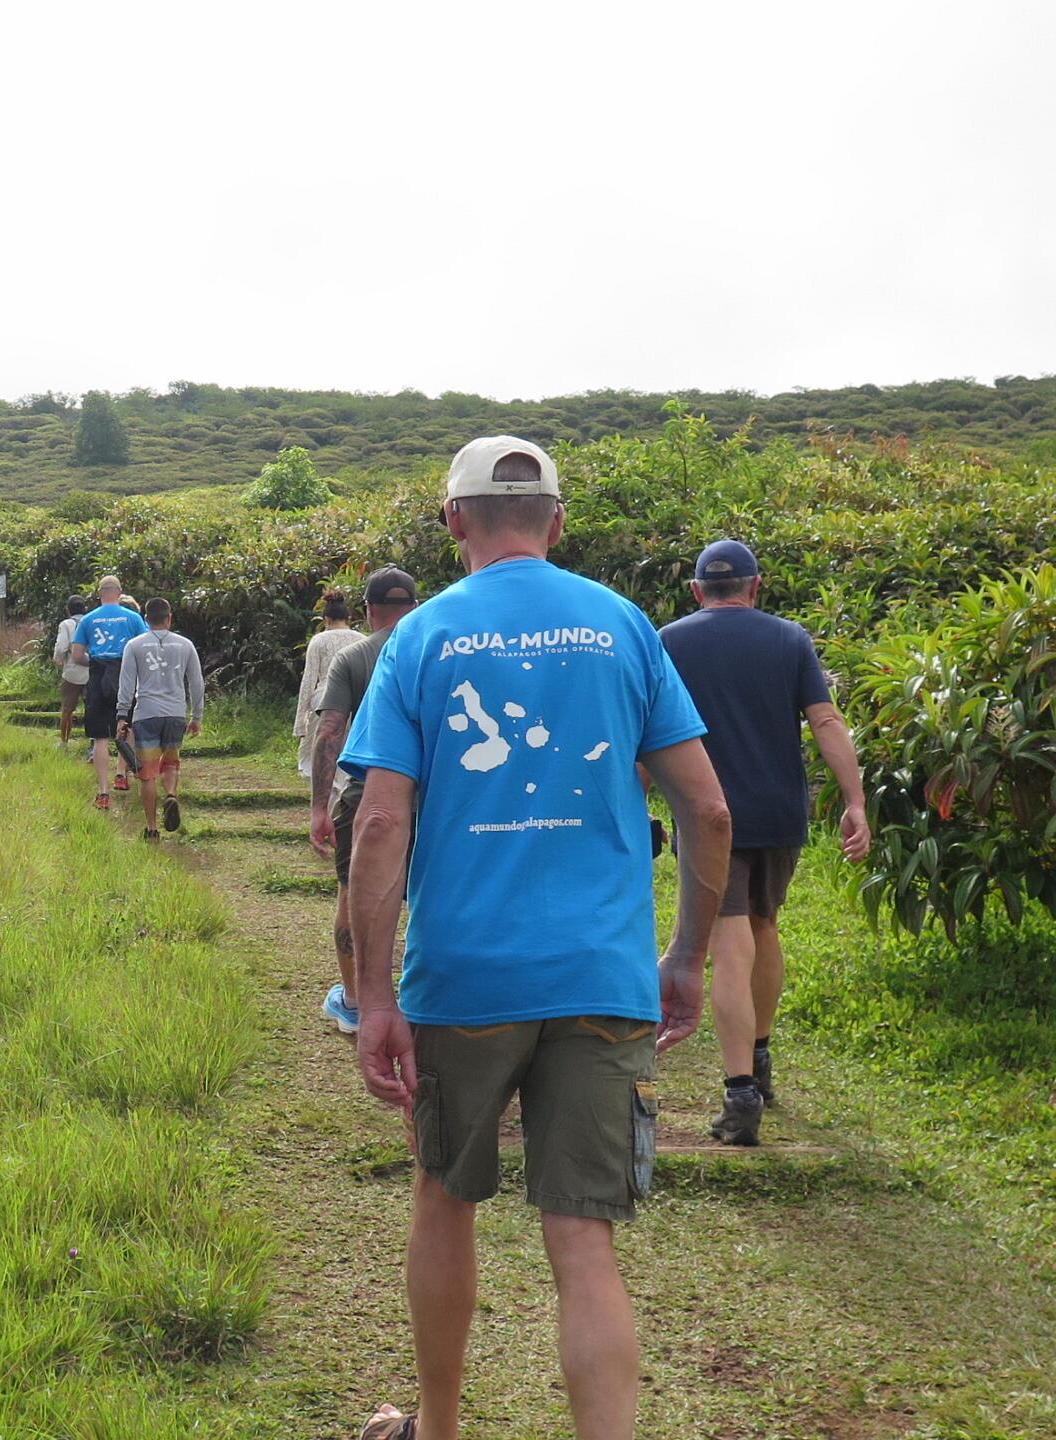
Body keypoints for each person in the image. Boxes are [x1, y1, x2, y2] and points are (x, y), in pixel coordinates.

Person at [341, 436, 731, 1440]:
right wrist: (686, 956)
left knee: (443, 1197)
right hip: (602, 976)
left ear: (452, 521)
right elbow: (706, 810)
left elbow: (380, 825)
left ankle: (436, 1427)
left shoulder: (420, 638)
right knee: (583, 1242)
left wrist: (374, 995)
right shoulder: (623, 626)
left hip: (462, 979)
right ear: (557, 521)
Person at [658, 538, 871, 1146]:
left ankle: (740, 1092)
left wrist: (625, 807)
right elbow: (825, 720)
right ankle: (760, 1055)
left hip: (709, 814)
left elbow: (649, 737)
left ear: (696, 590)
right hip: (780, 812)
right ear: (756, 586)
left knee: (728, 943)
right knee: (763, 926)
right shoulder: (790, 638)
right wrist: (855, 801)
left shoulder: (669, 641)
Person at [307, 567, 421, 1034]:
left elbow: (330, 731)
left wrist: (319, 807)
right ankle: (424, 1000)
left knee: (354, 892)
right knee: (432, 896)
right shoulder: (439, 649)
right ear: (416, 606)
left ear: (369, 610)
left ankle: (355, 1002)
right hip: (437, 800)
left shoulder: (353, 657)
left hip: (367, 795)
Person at [116, 597, 205, 840]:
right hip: (176, 713)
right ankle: (171, 795)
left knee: (147, 774)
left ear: (146, 619)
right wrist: (196, 716)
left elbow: (126, 684)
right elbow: (197, 683)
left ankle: (152, 828)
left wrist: (122, 714)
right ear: (169, 618)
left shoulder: (134, 646)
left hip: (146, 714)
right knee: (171, 762)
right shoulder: (185, 645)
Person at [69, 576, 149, 810]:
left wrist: (94, 662)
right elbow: (144, 649)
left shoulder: (88, 619)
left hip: (97, 676)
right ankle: (121, 774)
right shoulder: (133, 618)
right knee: (126, 726)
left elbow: (76, 655)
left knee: (100, 737)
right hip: (124, 675)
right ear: (119, 592)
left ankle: (103, 793)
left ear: (100, 594)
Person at [296, 588, 359, 779]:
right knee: (347, 753)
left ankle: (326, 795)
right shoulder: (362, 640)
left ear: (326, 620)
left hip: (322, 703)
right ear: (348, 618)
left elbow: (309, 680)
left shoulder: (318, 641)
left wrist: (301, 722)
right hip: (355, 702)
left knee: (320, 755)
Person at [51, 595, 91, 749]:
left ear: (68, 610)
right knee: (92, 709)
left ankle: (64, 742)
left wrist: (58, 660)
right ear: (85, 608)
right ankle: (93, 743)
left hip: (72, 673)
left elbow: (61, 646)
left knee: (67, 710)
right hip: (92, 672)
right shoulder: (91, 621)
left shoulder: (66, 624)